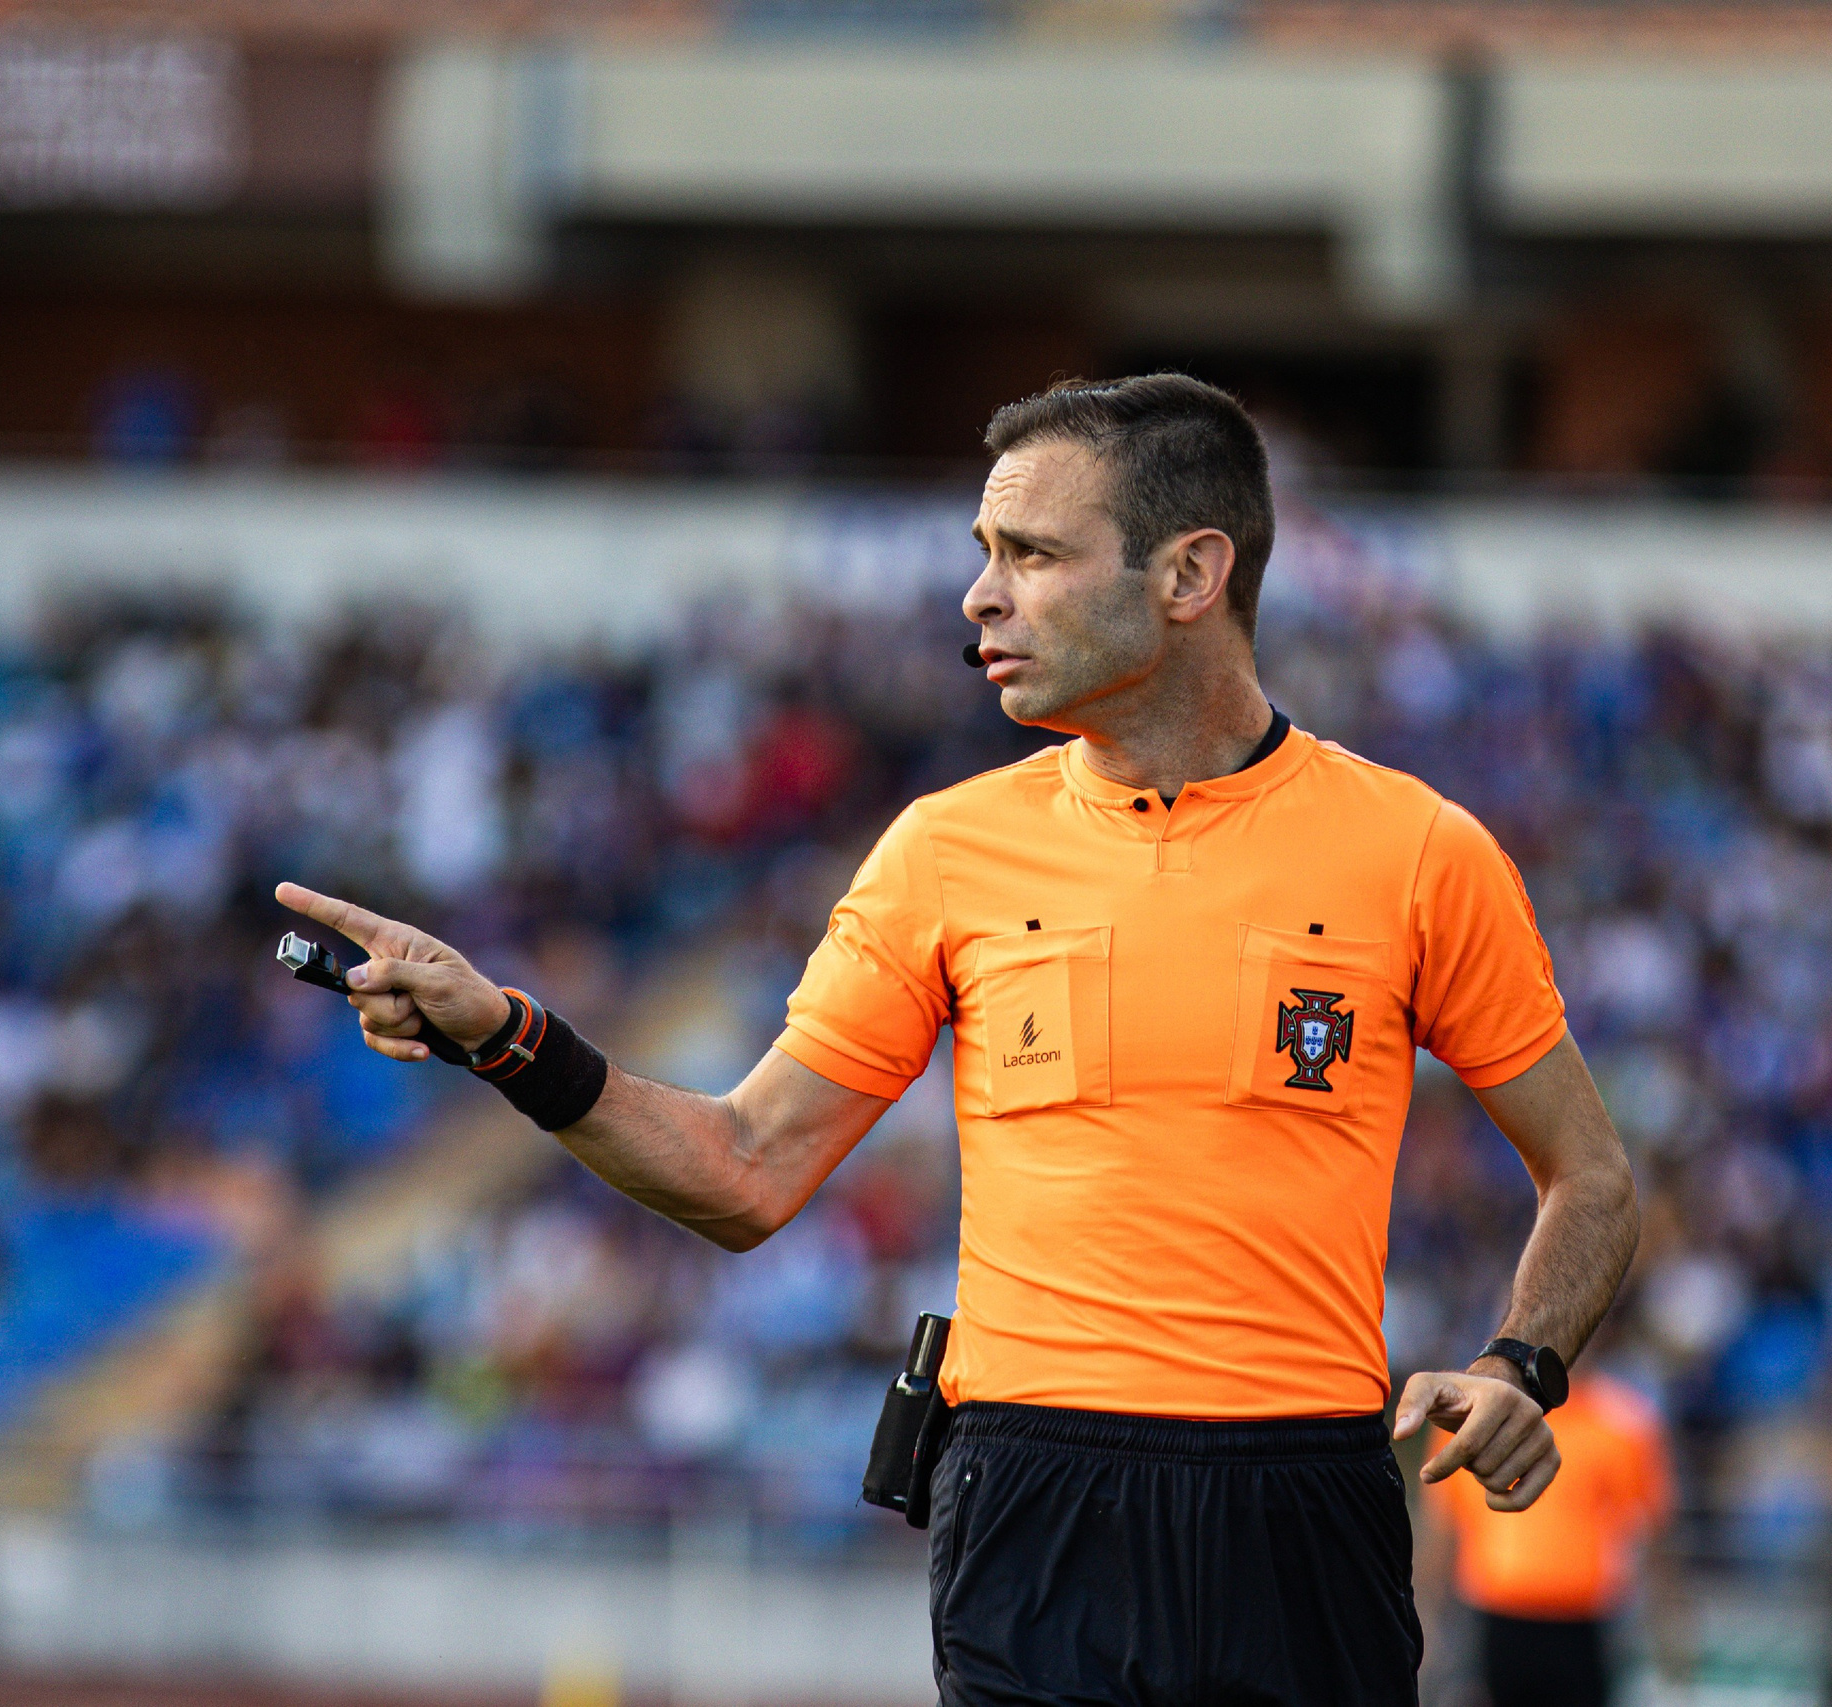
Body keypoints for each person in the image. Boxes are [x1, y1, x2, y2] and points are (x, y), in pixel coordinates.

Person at [276, 373, 1642, 1705]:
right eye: (984, 552)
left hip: (1300, 1500)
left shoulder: (1416, 850)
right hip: (1029, 1489)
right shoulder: (944, 849)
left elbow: (1592, 1175)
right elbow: (745, 1166)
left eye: (1034, 553)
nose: (979, 596)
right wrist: (510, 1038)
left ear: (1189, 574)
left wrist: (1525, 1360)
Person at [1425, 1365, 1674, 1707]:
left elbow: (1653, 1533)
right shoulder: (1473, 1414)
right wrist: (1427, 1626)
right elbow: (1445, 1529)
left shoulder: (1624, 1421)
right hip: (1496, 1615)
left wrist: (1668, 1633)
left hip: (1582, 1621)